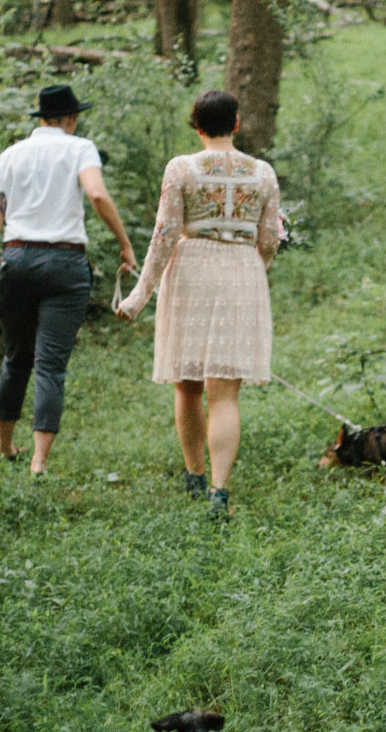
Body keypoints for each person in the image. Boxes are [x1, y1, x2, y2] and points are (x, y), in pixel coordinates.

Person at [116, 89, 280, 520]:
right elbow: (270, 239)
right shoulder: (262, 172)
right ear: (238, 123)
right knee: (224, 393)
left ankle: (194, 475)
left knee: (187, 385)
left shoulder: (181, 168)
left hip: (191, 271)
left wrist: (139, 295)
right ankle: (219, 492)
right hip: (242, 272)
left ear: (197, 125)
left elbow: (165, 234)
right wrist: (252, 270)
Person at [0, 83, 137, 474]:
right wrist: (125, 244)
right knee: (50, 365)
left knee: (16, 358)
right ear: (70, 118)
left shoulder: (11, 154)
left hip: (14, 261)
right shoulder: (79, 147)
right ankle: (39, 462)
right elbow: (97, 195)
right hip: (65, 264)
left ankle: (3, 447)